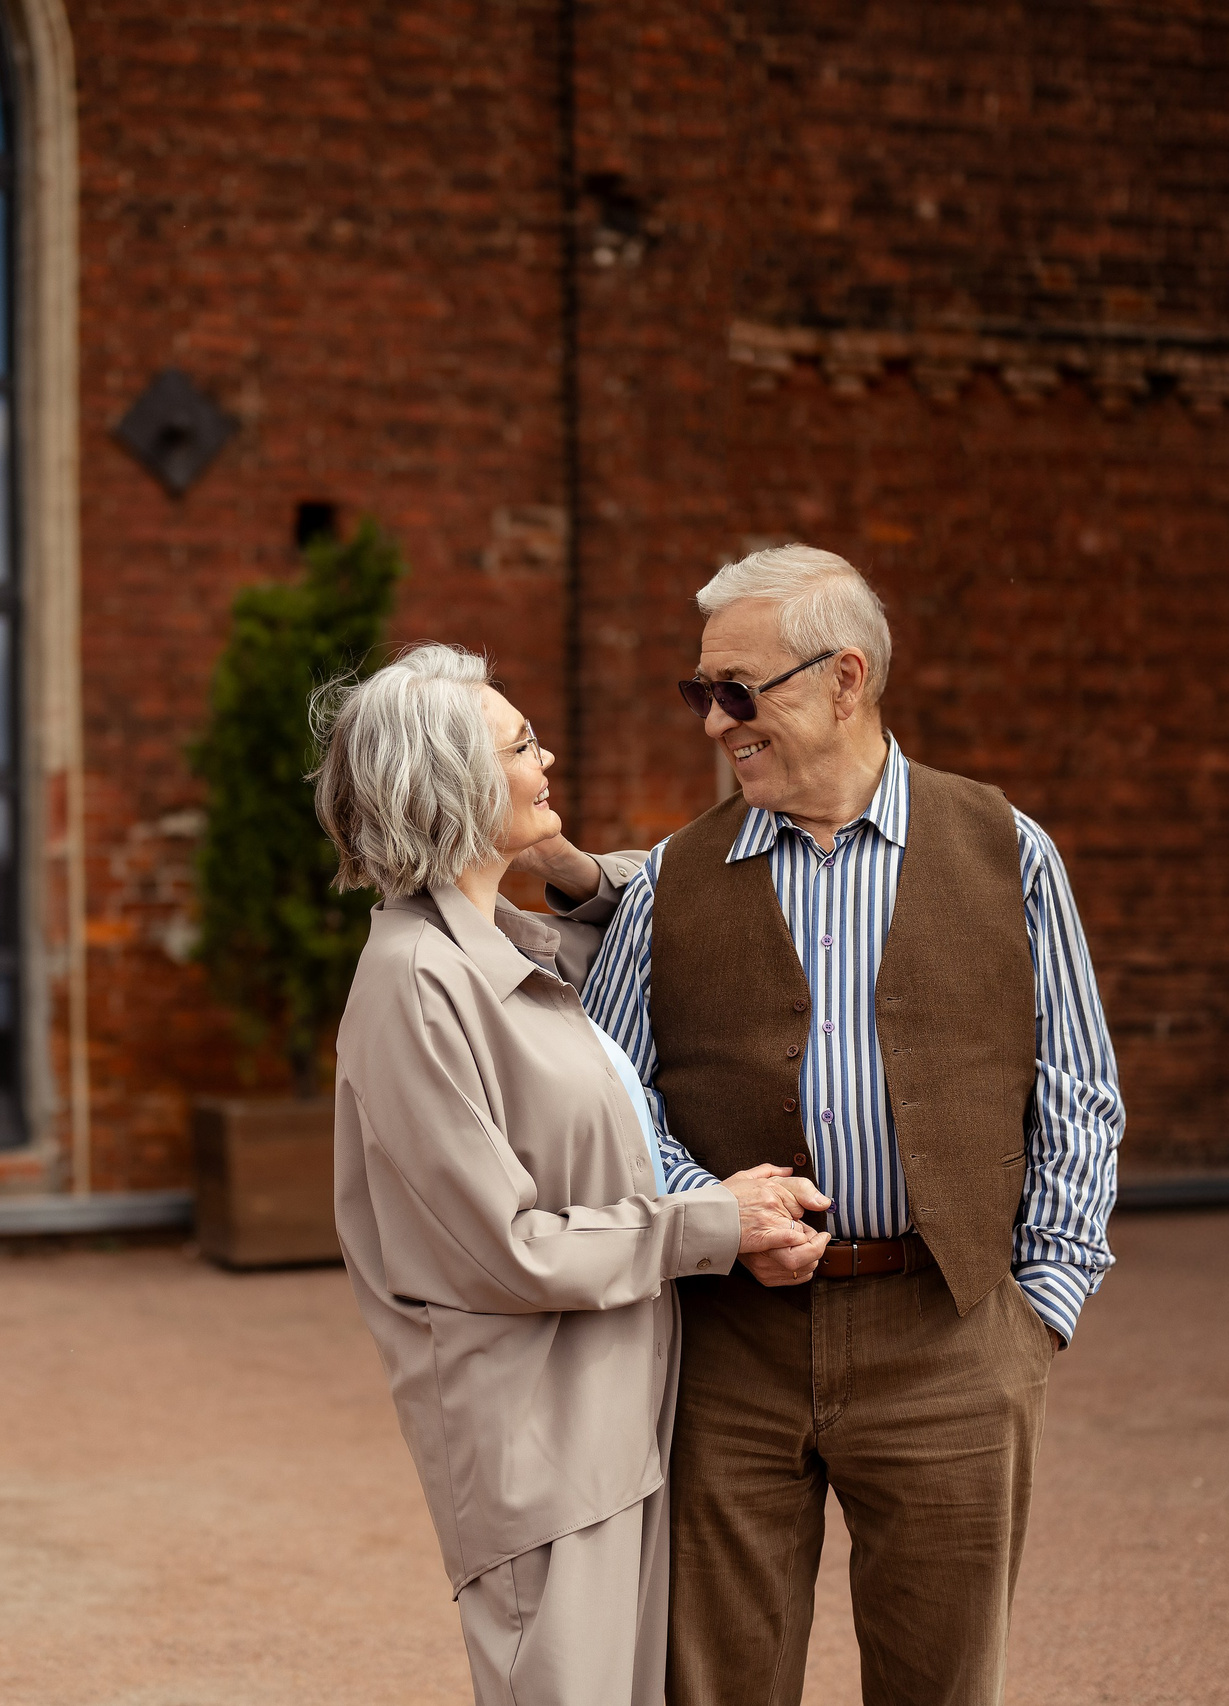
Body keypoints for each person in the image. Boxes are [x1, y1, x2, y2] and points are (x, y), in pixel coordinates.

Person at [531, 544, 1125, 1706]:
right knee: (717, 1681)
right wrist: (711, 1210)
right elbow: (612, 1095)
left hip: (950, 1331)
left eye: (738, 689)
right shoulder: (674, 877)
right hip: (730, 1347)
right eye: (701, 691)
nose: (716, 721)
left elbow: (1076, 1087)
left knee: (942, 1684)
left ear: (844, 678)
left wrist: (1039, 1307)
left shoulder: (1006, 847)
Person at [318, 643, 827, 1706]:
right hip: (537, 1451)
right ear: (456, 784)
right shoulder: (415, 982)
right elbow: (503, 1246)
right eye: (521, 746)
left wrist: (564, 860)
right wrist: (716, 1220)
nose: (546, 759)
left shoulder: (508, 948)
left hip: (612, 1425)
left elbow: (666, 908)